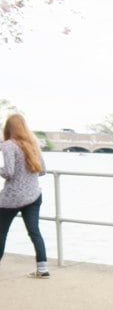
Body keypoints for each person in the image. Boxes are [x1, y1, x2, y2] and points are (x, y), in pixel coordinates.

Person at [0, 113, 49, 278]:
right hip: (34, 195)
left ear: (7, 128)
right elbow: (42, 171)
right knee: (34, 231)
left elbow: (8, 172)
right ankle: (42, 269)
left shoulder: (8, 145)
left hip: (11, 198)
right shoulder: (33, 144)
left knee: (1, 232)